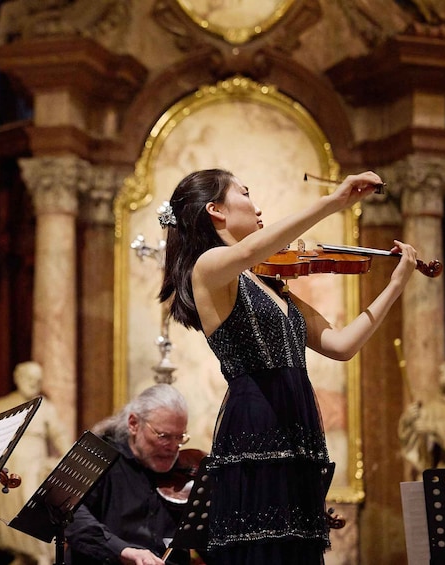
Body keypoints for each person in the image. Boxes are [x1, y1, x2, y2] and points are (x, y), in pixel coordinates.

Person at [158, 169, 417, 564]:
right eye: (245, 193)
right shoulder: (208, 267)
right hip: (257, 419)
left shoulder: (271, 283)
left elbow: (342, 345)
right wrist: (335, 201)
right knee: (263, 548)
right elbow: (247, 252)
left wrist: (396, 284)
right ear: (216, 210)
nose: (257, 205)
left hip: (297, 423)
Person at [64, 383, 194, 565]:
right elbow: (71, 514)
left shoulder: (185, 472)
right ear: (134, 424)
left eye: (180, 437)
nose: (173, 448)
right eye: (163, 436)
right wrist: (123, 550)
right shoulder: (98, 454)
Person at [0, 361, 72, 565]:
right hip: (9, 469)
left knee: (31, 509)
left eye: (37, 379)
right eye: (29, 378)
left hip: (32, 467)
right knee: (9, 513)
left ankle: (40, 555)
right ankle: (24, 554)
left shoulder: (45, 407)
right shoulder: (4, 403)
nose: (33, 383)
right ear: (17, 379)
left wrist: (69, 459)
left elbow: (60, 435)